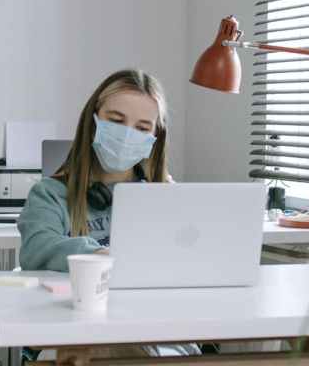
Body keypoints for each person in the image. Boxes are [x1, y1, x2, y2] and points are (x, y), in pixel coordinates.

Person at [17, 70, 194, 361]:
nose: (128, 134)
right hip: (78, 329)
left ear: (155, 136)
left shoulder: (165, 194)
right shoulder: (50, 193)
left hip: (154, 325)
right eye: (116, 120)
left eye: (142, 127)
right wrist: (101, 255)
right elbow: (37, 249)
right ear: (94, 120)